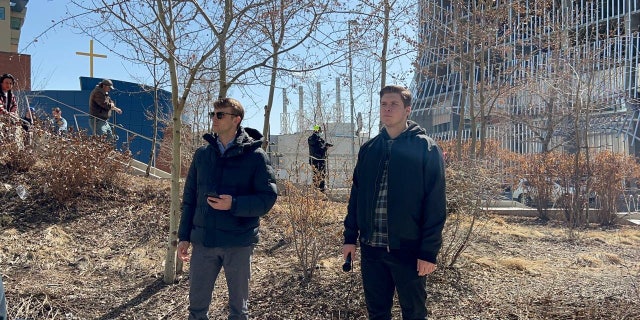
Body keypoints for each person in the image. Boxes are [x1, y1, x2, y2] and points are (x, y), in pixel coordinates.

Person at [342, 85, 447, 320]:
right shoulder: (369, 149)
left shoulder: (426, 148)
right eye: (383, 104)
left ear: (407, 110)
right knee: (377, 313)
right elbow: (356, 196)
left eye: (394, 105)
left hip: (408, 250)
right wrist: (350, 237)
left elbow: (436, 203)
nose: (387, 109)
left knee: (414, 313)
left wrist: (429, 252)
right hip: (372, 250)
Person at [177, 97, 278, 320]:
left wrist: (234, 204)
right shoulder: (202, 155)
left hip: (238, 243)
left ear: (236, 120)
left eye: (220, 115)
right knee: (196, 310)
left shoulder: (256, 157)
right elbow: (189, 198)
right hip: (204, 242)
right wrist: (183, 236)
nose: (214, 118)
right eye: (213, 114)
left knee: (238, 311)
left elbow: (267, 198)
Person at [307, 125, 333, 192]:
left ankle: (317, 189)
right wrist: (326, 147)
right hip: (318, 160)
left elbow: (322, 144)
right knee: (320, 175)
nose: (321, 132)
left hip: (317, 160)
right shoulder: (315, 140)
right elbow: (319, 150)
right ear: (317, 131)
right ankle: (320, 190)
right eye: (320, 131)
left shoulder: (314, 139)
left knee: (317, 175)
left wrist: (326, 145)